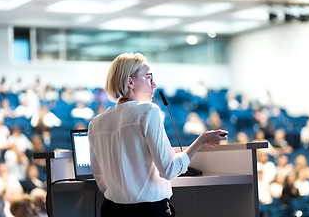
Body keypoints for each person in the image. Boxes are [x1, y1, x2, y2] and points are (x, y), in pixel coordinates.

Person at [88, 53, 227, 217]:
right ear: (130, 82)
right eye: (148, 78)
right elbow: (168, 170)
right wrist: (200, 140)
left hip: (111, 211)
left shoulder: (95, 123)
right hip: (148, 212)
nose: (154, 84)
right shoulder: (149, 111)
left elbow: (100, 179)